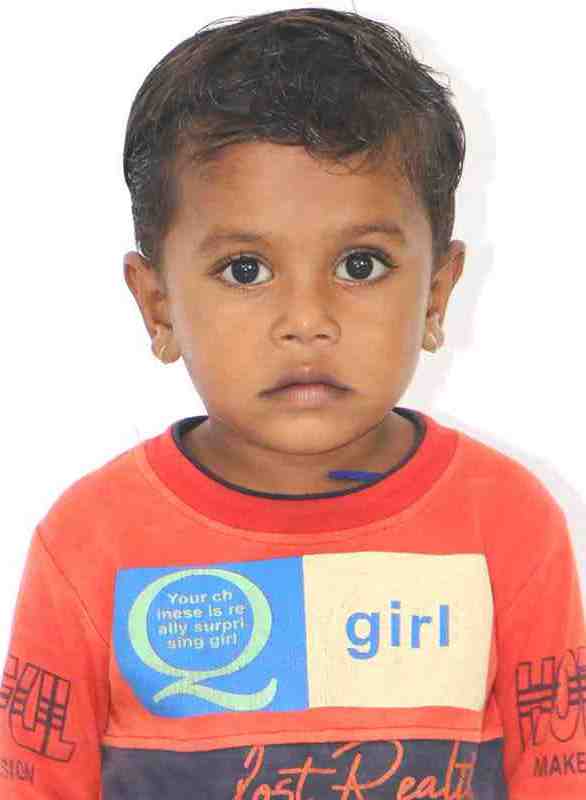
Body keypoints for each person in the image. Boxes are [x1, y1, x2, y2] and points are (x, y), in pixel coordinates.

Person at [1, 7, 584, 799]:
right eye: (245, 270)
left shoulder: (508, 527)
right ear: (158, 306)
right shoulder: (89, 543)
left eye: (360, 265)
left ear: (436, 293)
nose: (308, 321)